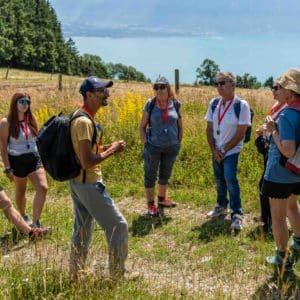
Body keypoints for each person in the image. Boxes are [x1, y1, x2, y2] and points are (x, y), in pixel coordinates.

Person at [69, 76, 128, 281]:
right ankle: (117, 276)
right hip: (88, 184)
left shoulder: (81, 116)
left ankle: (75, 275)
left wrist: (105, 148)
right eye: (102, 91)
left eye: (106, 90)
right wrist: (112, 150)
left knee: (83, 229)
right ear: (89, 95)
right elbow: (86, 161)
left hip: (78, 183)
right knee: (118, 226)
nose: (107, 94)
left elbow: (85, 152)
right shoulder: (84, 122)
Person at [262, 69, 300, 275]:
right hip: (298, 171)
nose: (279, 90)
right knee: (293, 206)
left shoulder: (286, 115)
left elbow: (288, 149)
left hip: (281, 172)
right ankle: (299, 243)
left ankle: (282, 259)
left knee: (277, 217)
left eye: (282, 87)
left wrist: (273, 130)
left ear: (290, 94)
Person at [205, 72, 251, 230]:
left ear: (232, 84)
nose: (219, 87)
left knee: (230, 179)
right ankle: (221, 206)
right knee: (219, 179)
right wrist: (214, 150)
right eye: (216, 83)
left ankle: (237, 214)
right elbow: (209, 129)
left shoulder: (241, 105)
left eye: (222, 83)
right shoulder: (214, 103)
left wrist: (224, 149)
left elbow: (241, 132)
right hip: (216, 150)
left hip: (231, 150)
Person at [0, 93, 48, 228]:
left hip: (33, 158)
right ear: (14, 103)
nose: (25, 104)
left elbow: (38, 141)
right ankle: (22, 216)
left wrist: (43, 160)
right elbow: (3, 148)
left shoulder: (32, 118)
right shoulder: (6, 122)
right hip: (16, 160)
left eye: (27, 102)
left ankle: (36, 222)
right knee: (21, 191)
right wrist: (7, 168)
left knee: (43, 187)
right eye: (21, 101)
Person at [140, 76, 183, 216]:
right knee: (150, 175)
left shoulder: (176, 104)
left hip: (171, 146)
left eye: (162, 86)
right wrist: (146, 142)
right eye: (156, 87)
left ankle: (162, 199)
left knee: (165, 174)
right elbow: (142, 126)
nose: (159, 90)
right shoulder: (150, 104)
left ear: (168, 87)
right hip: (153, 146)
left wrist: (178, 142)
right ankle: (151, 205)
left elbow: (180, 126)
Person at [255, 80, 287, 233]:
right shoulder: (276, 106)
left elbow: (282, 131)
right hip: (270, 149)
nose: (272, 90)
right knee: (265, 186)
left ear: (286, 90)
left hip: (279, 152)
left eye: (276, 88)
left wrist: (270, 131)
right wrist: (263, 131)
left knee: (266, 186)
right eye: (272, 87)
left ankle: (270, 222)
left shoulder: (287, 109)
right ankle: (267, 217)